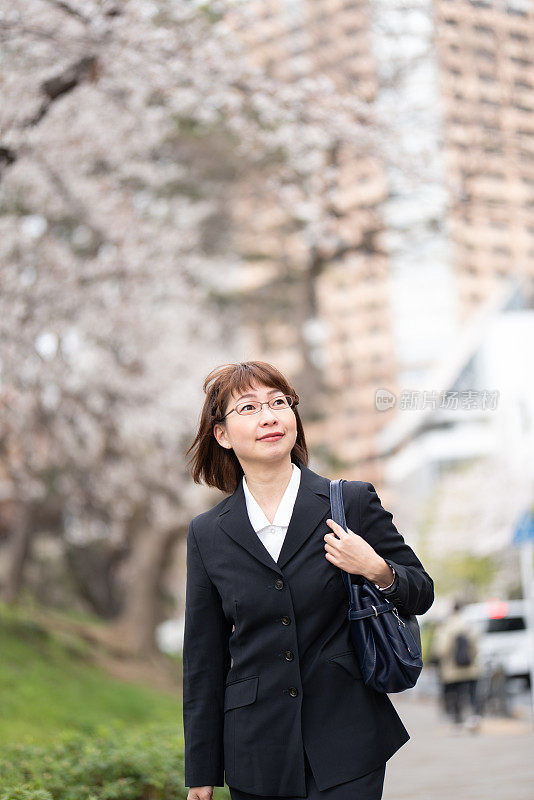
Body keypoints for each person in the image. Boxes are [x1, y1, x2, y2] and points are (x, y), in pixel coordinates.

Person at [183, 360, 435, 800]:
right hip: (256, 750)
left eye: (279, 403)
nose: (269, 416)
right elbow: (203, 659)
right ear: (222, 434)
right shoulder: (208, 533)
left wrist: (375, 567)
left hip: (347, 735)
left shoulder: (350, 502)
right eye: (249, 408)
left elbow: (421, 590)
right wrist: (201, 771)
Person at [432, 599, 483, 732]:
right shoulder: (468, 624)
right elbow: (476, 646)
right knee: (471, 694)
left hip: (451, 669)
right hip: (470, 668)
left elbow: (441, 649)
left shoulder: (446, 626)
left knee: (454, 695)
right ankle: (473, 719)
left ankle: (457, 721)